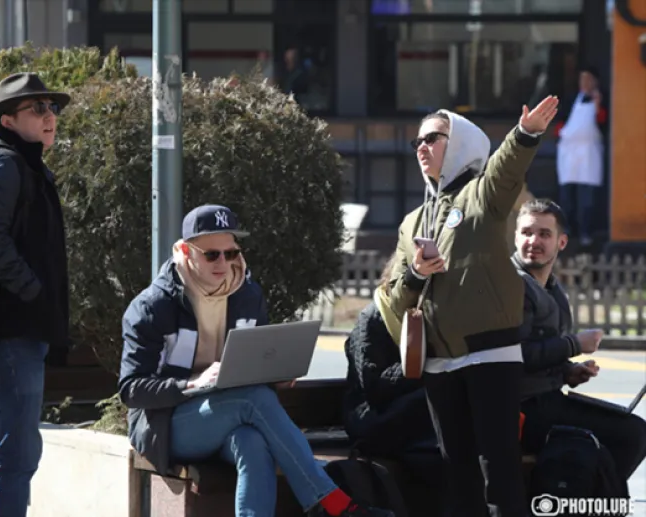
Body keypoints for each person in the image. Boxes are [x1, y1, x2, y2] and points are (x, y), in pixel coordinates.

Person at [118, 204, 394, 517]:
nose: (224, 263)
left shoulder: (247, 295)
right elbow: (131, 390)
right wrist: (193, 384)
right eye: (212, 255)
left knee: (251, 443)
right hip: (166, 425)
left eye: (231, 253)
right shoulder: (153, 306)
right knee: (253, 399)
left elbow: (254, 363)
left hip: (231, 414)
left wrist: (274, 374)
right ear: (184, 251)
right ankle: (331, 505)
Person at [385, 95, 559, 517]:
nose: (422, 147)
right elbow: (395, 295)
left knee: (498, 469)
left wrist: (525, 134)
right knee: (456, 472)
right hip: (439, 363)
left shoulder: (482, 195)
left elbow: (506, 170)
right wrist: (416, 274)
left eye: (432, 138)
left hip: (490, 355)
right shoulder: (412, 222)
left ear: (460, 143)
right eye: (417, 142)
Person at [0, 72, 71, 517]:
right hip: (7, 331)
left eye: (52, 107)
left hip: (13, 330)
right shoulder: (3, 165)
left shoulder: (28, 167)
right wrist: (31, 290)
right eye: (37, 108)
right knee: (14, 458)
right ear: (7, 121)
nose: (49, 116)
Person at [513, 198, 646, 484]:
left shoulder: (552, 288)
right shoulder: (513, 285)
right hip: (521, 408)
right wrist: (574, 345)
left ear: (561, 242)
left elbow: (541, 352)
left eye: (544, 234)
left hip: (548, 399)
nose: (533, 241)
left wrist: (568, 371)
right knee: (631, 434)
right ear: (515, 237)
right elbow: (514, 355)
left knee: (630, 431)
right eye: (526, 233)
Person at [342, 254, 444, 516]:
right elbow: (374, 386)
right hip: (373, 417)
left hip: (413, 419)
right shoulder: (374, 317)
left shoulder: (427, 317)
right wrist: (422, 362)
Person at [554, 67, 608, 246]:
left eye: (588, 79)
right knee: (566, 197)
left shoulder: (603, 100)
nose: (585, 83)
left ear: (595, 82)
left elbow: (604, 123)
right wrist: (562, 132)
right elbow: (560, 121)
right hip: (569, 153)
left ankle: (586, 232)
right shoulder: (571, 100)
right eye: (582, 79)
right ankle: (567, 231)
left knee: (587, 199)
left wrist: (598, 105)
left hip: (589, 154)